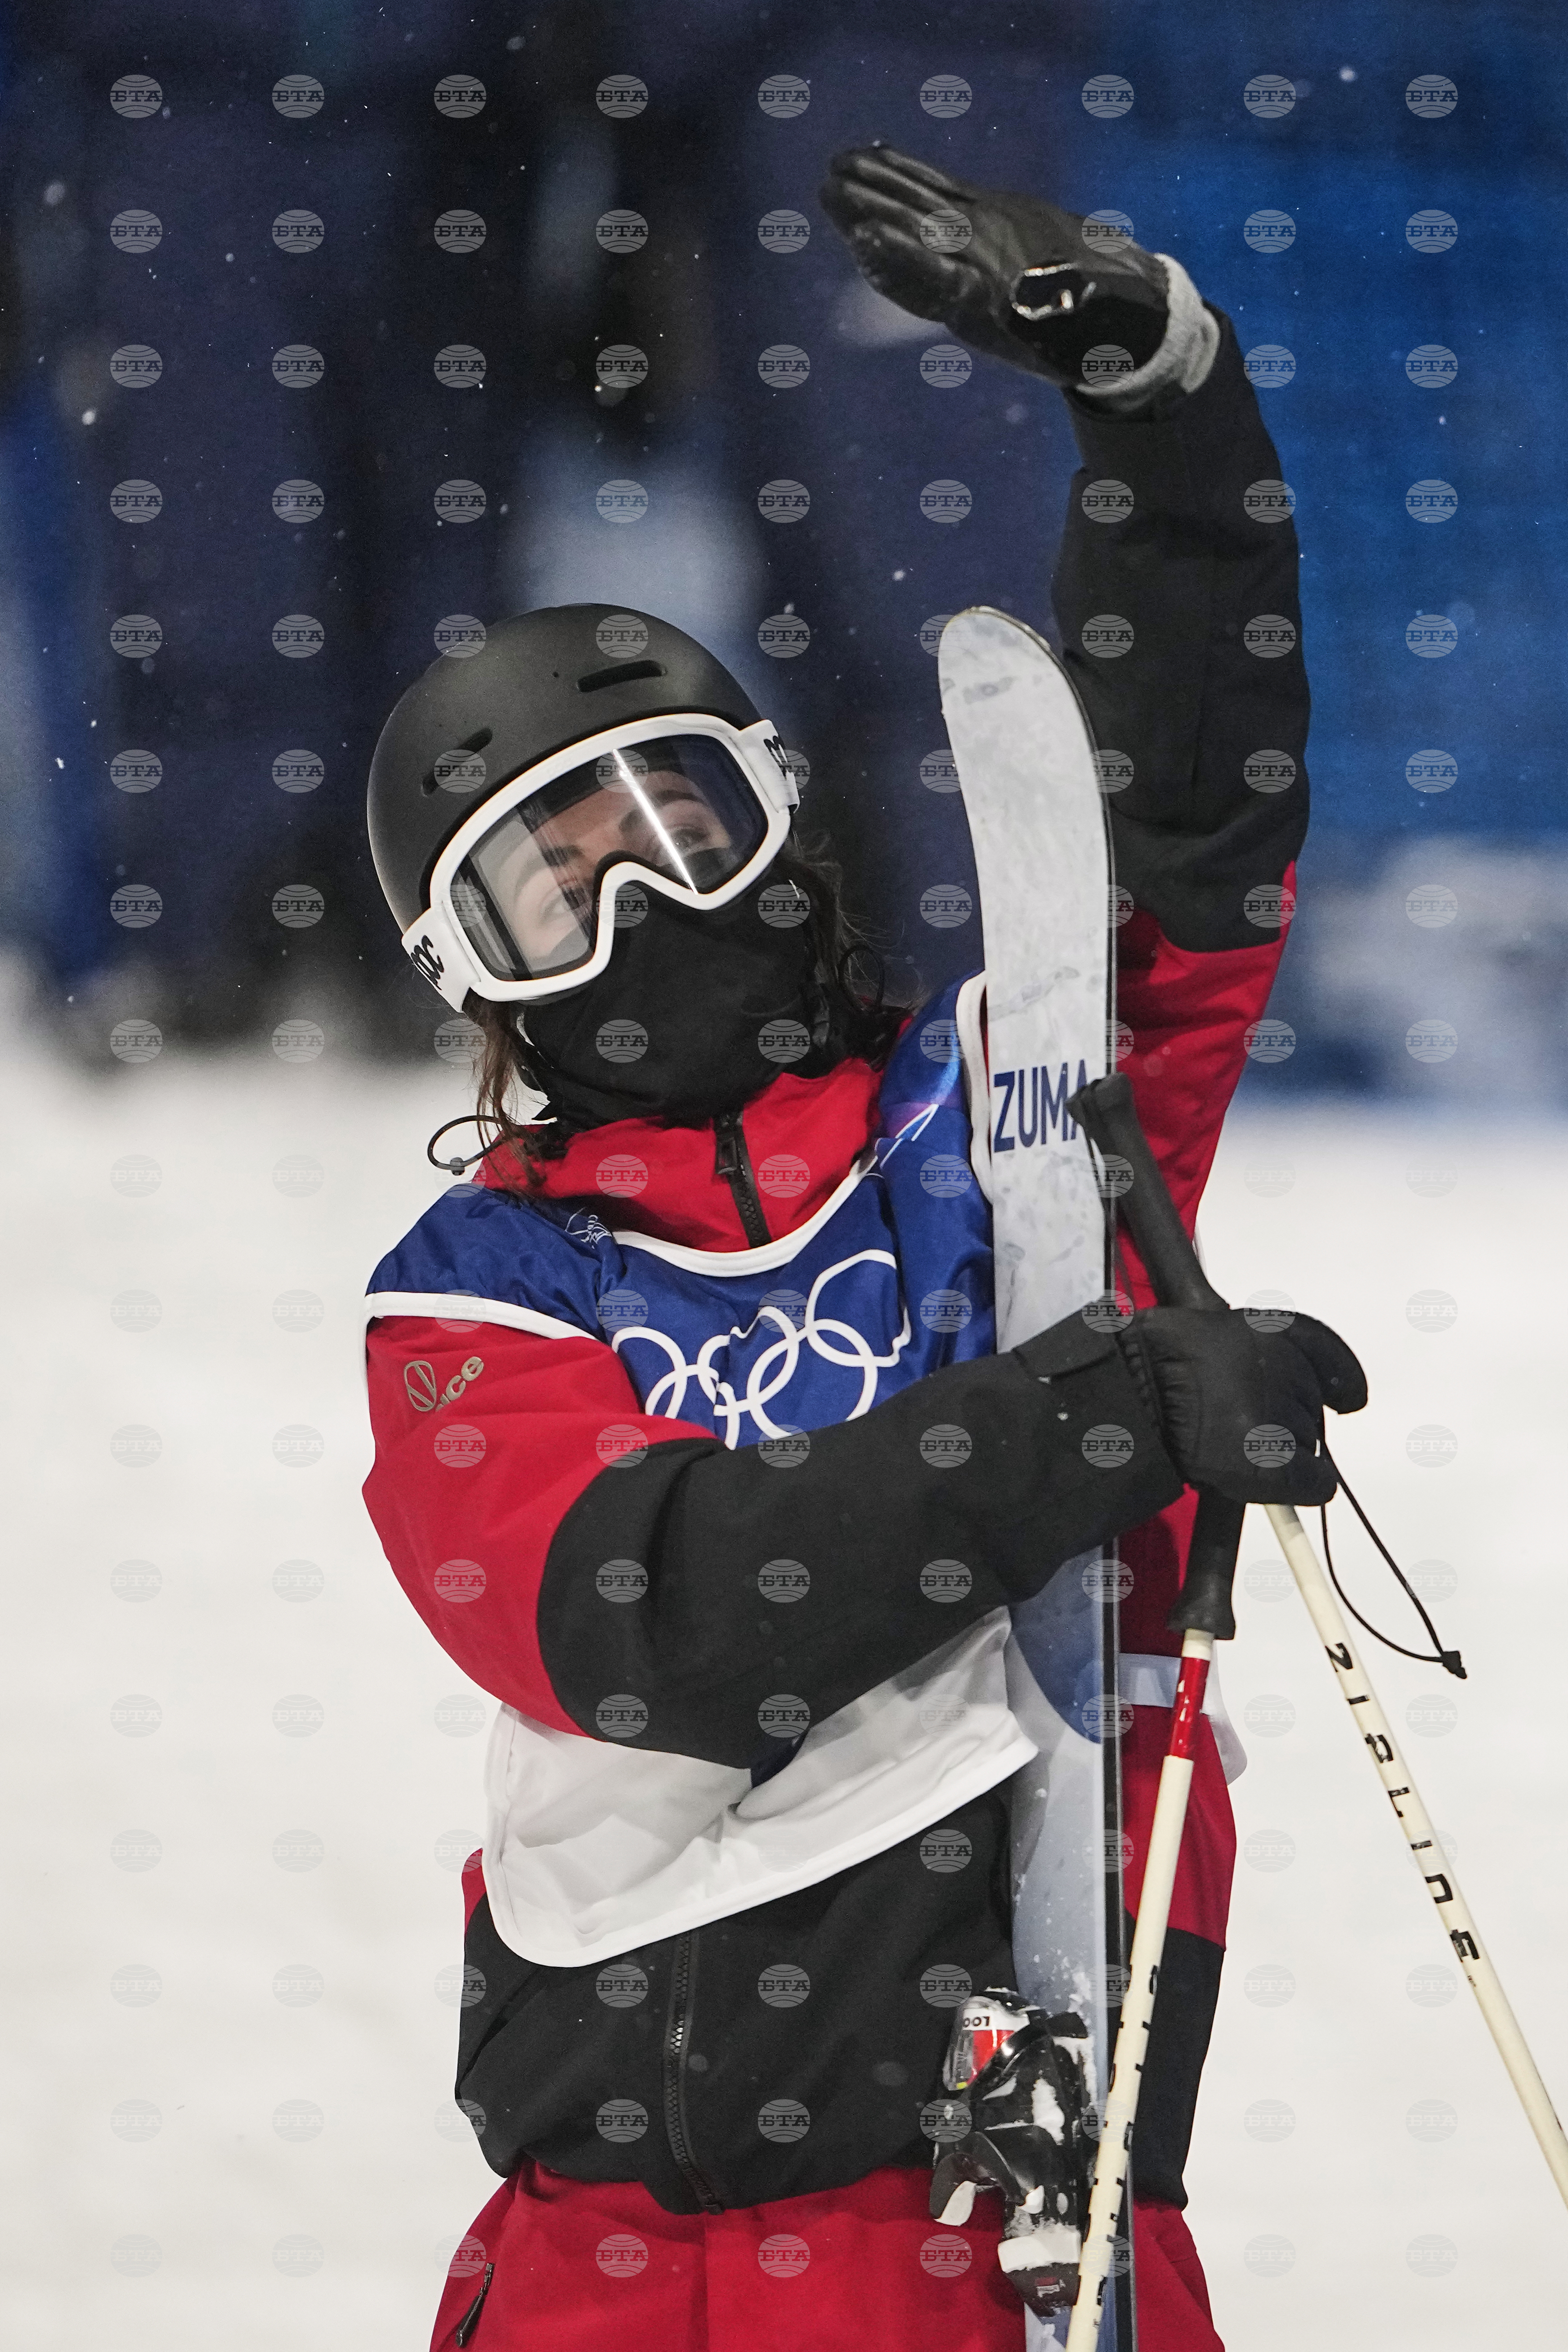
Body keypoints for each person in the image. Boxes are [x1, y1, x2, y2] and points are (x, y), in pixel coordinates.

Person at [360, 146, 1366, 2352]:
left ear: (777, 816)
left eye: (680, 821)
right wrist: (1107, 1408)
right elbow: (660, 1616)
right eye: (557, 887)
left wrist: (1163, 419)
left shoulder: (1003, 1115)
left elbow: (1184, 823)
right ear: (475, 974)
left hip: (1006, 2229)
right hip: (612, 2252)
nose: (648, 905)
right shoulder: (474, 1291)